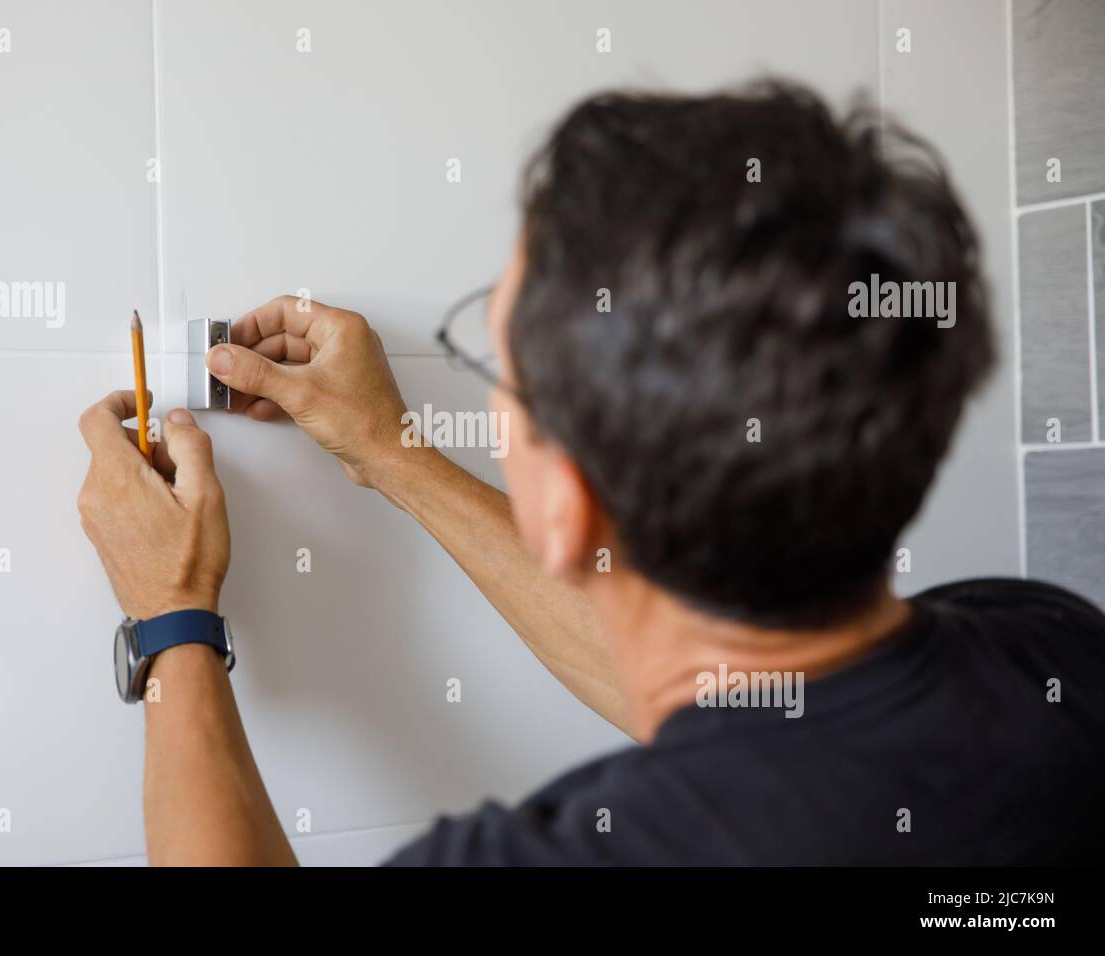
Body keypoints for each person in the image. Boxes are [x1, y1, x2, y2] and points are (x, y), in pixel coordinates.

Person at [76, 82, 1105, 865]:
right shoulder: (1050, 647)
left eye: (500, 371)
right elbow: (739, 697)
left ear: (563, 502)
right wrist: (392, 453)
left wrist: (171, 619)